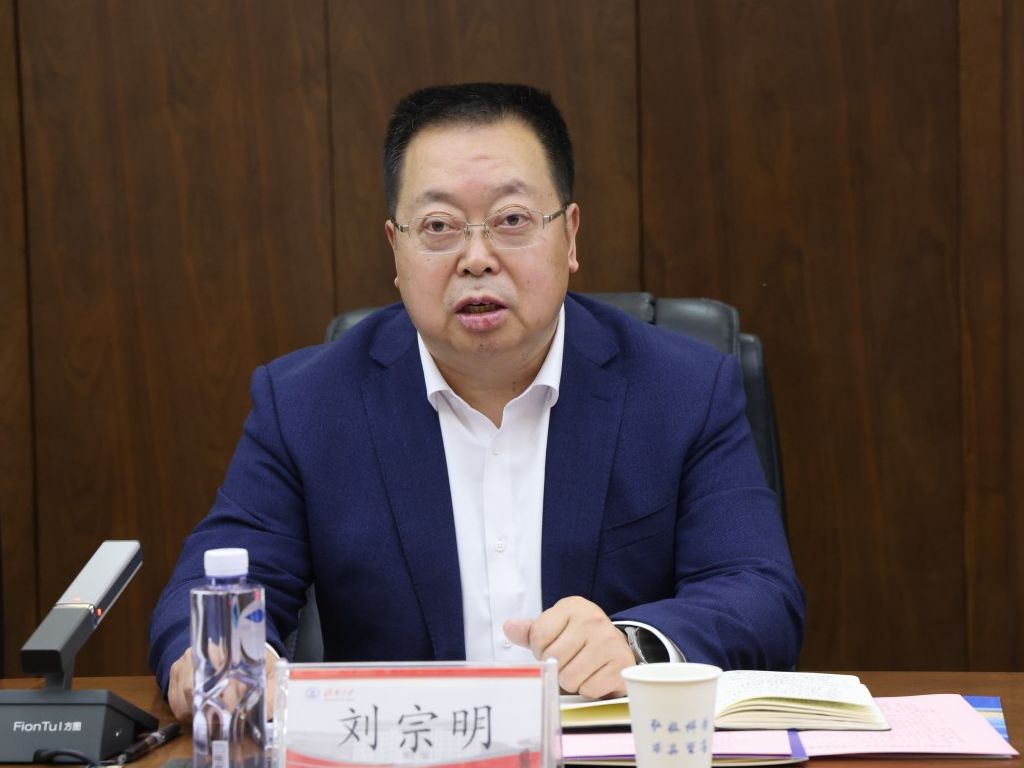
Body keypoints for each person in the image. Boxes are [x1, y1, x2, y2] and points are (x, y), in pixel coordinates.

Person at [149, 82, 804, 720]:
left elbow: (758, 592)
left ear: (571, 236)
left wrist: (635, 646)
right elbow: (211, 585)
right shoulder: (308, 406)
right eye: (439, 226)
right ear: (396, 250)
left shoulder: (683, 390)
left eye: (512, 220)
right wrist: (222, 660)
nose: (477, 258)